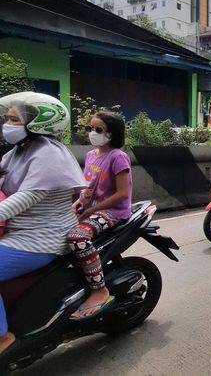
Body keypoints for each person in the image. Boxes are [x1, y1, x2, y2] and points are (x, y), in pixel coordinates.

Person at [0, 92, 87, 354]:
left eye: (14, 119)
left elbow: (27, 197)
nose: (7, 123)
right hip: (19, 231)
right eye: (7, 118)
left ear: (39, 122)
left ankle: (3, 337)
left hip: (42, 237)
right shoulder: (16, 152)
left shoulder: (48, 154)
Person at [67, 111, 132, 320]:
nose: (92, 133)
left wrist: (92, 210)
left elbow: (123, 193)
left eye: (98, 130)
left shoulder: (118, 157)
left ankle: (99, 289)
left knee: (77, 238)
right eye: (90, 128)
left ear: (111, 134)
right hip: (90, 208)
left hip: (113, 212)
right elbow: (87, 187)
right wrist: (78, 204)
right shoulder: (90, 155)